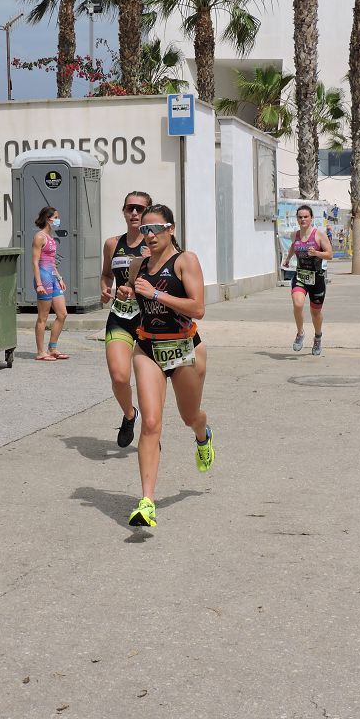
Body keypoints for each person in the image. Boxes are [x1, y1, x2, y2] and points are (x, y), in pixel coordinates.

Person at [115, 204, 213, 528]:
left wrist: (156, 293)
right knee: (152, 422)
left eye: (156, 228)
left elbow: (198, 307)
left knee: (189, 416)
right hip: (148, 348)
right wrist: (126, 293)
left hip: (184, 347)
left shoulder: (186, 261)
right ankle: (146, 501)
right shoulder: (138, 265)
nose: (150, 235)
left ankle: (203, 433)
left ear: (170, 229)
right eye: (144, 229)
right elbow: (135, 301)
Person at [100, 191, 152, 447]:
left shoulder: (157, 244)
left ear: (148, 214)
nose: (134, 213)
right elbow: (106, 275)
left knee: (148, 383)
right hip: (120, 315)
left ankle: (152, 434)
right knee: (120, 377)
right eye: (130, 208)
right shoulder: (112, 244)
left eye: (140, 209)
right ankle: (130, 415)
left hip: (149, 319)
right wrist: (105, 288)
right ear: (123, 211)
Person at [281, 205, 334, 355]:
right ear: (297, 219)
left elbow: (330, 254)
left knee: (315, 313)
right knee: (298, 304)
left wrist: (317, 252)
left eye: (305, 217)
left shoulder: (319, 235)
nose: (303, 219)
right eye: (300, 217)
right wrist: (288, 258)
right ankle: (300, 333)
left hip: (317, 278)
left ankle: (317, 337)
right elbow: (293, 246)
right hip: (300, 276)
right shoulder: (295, 235)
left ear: (311, 218)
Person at [31, 206, 69, 361]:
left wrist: (59, 278)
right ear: (48, 218)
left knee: (62, 314)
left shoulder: (51, 237)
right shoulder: (39, 237)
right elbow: (35, 262)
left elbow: (52, 262)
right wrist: (39, 283)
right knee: (43, 317)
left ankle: (52, 348)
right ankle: (40, 352)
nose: (58, 220)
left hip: (53, 278)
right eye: (56, 217)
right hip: (44, 279)